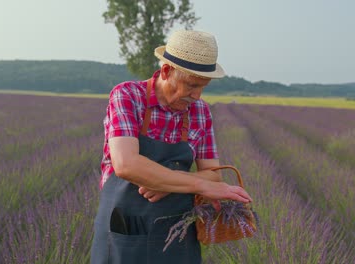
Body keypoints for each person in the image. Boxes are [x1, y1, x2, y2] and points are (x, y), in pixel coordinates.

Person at [90, 30, 253, 264]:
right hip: (124, 233)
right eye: (191, 85)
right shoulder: (128, 96)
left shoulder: (201, 112)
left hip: (177, 235)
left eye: (203, 87)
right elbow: (126, 165)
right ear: (166, 71)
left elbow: (214, 175)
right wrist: (195, 183)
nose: (197, 96)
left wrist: (168, 181)